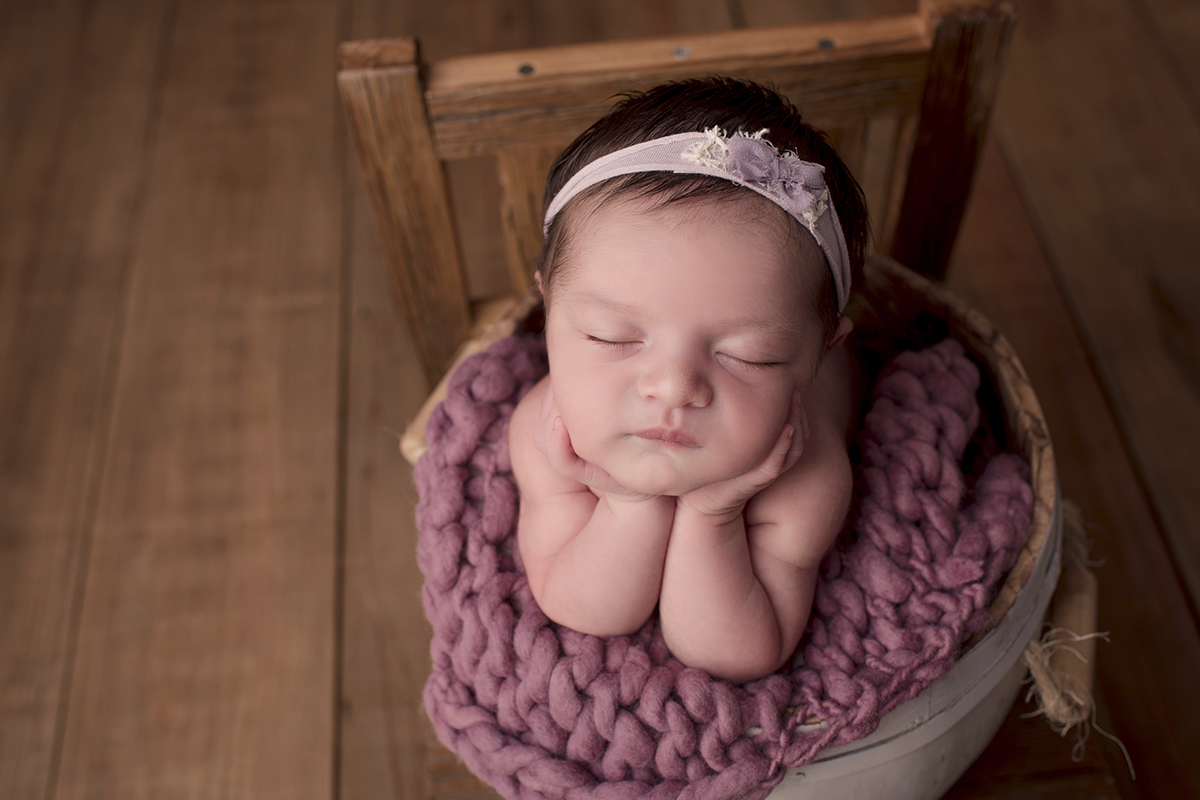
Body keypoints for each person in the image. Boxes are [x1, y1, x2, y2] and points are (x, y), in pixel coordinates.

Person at [508, 77, 870, 682]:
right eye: (609, 337)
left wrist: (713, 517)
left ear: (820, 357)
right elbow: (582, 606)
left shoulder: (805, 477)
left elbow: (738, 650)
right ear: (547, 311)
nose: (674, 388)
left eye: (751, 356)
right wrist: (628, 504)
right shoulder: (547, 435)